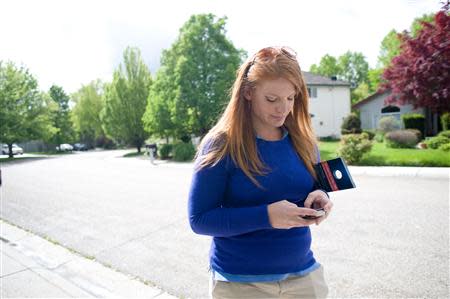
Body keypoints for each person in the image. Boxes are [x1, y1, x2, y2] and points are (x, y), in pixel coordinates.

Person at [188, 46, 333, 299]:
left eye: (291, 98)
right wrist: (266, 216)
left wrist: (321, 196)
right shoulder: (222, 144)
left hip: (304, 276)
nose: (283, 109)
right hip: (240, 284)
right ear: (247, 93)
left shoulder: (304, 141)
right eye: (272, 99)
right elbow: (199, 220)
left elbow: (315, 187)